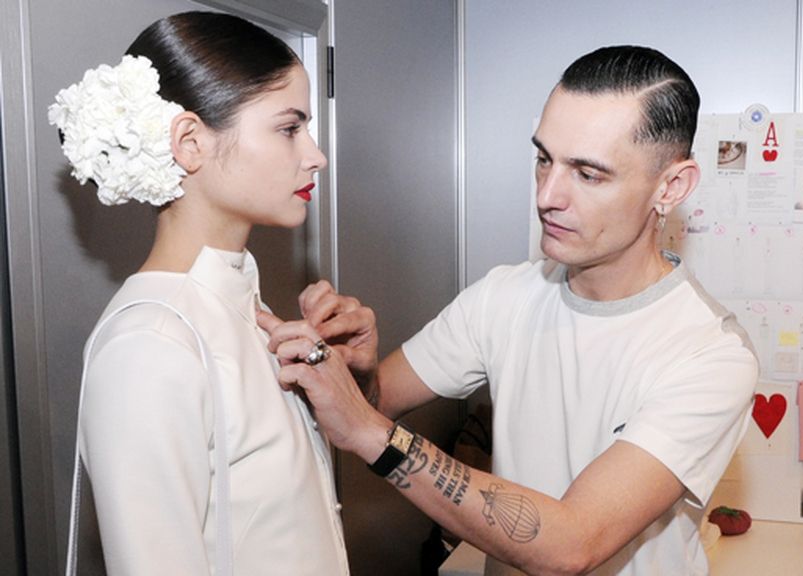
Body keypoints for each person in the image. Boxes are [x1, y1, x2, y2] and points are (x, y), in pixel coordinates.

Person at [260, 46, 758, 575]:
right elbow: (374, 404)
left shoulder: (711, 354)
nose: (547, 195)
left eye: (588, 174)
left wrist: (367, 430)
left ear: (671, 186)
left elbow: (573, 544)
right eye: (544, 158)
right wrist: (354, 376)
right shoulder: (505, 296)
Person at [52, 12, 349, 575]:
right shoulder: (150, 345)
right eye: (290, 128)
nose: (315, 156)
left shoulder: (244, 307)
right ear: (189, 142)